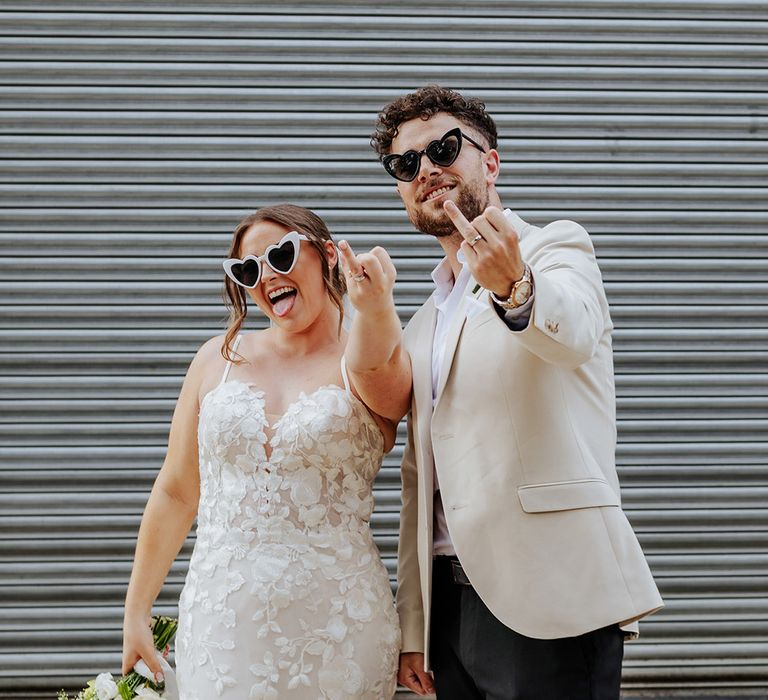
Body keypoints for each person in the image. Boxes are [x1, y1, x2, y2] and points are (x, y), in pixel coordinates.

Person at [369, 86, 664, 698]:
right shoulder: (422, 321)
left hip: (549, 591)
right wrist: (414, 624)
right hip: (449, 605)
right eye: (406, 164)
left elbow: (575, 332)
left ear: (491, 162)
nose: (426, 170)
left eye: (444, 149)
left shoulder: (555, 249)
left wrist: (515, 286)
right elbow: (418, 482)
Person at [121, 203, 410, 699]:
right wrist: (136, 610)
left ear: (326, 255)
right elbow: (175, 492)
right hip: (222, 625)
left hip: (338, 627)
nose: (266, 276)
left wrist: (376, 307)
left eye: (280, 255)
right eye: (248, 269)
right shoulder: (216, 359)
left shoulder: (364, 354)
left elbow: (393, 391)